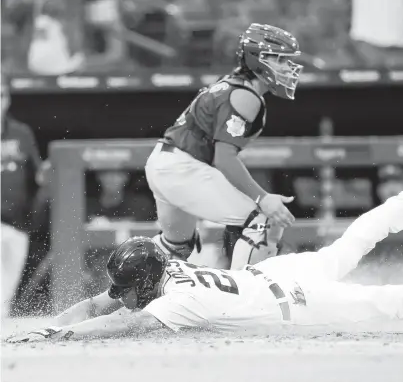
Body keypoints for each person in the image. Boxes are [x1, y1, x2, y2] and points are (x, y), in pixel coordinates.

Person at [6, 192, 403, 343]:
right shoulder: (160, 272)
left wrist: (62, 337)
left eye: (124, 288)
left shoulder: (178, 300)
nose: (119, 296)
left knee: (386, 301)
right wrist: (51, 325)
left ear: (143, 282)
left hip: (299, 301)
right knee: (353, 242)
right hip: (281, 272)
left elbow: (117, 324)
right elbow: (96, 307)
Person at [145, 23, 303, 268]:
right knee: (262, 220)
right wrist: (262, 198)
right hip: (182, 168)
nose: (288, 68)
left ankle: (125, 297)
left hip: (163, 163)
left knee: (173, 250)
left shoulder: (231, 83)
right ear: (259, 60)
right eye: (281, 60)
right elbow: (224, 158)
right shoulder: (246, 95)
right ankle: (243, 299)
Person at [1, 74, 43, 317]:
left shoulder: (21, 133)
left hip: (17, 224)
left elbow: (39, 177)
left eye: (1, 95)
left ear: (8, 98)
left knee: (6, 295)